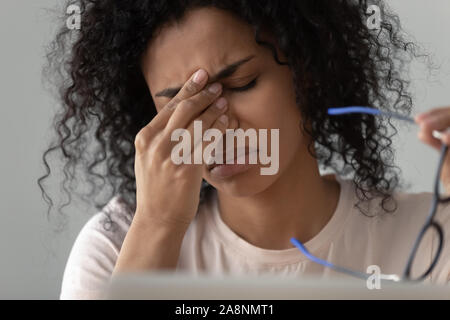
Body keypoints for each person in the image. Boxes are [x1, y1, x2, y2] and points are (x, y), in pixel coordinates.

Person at [39, 0, 450, 299]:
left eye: (241, 84)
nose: (217, 129)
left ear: (308, 69)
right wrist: (158, 227)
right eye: (179, 108)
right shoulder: (114, 247)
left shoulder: (431, 237)